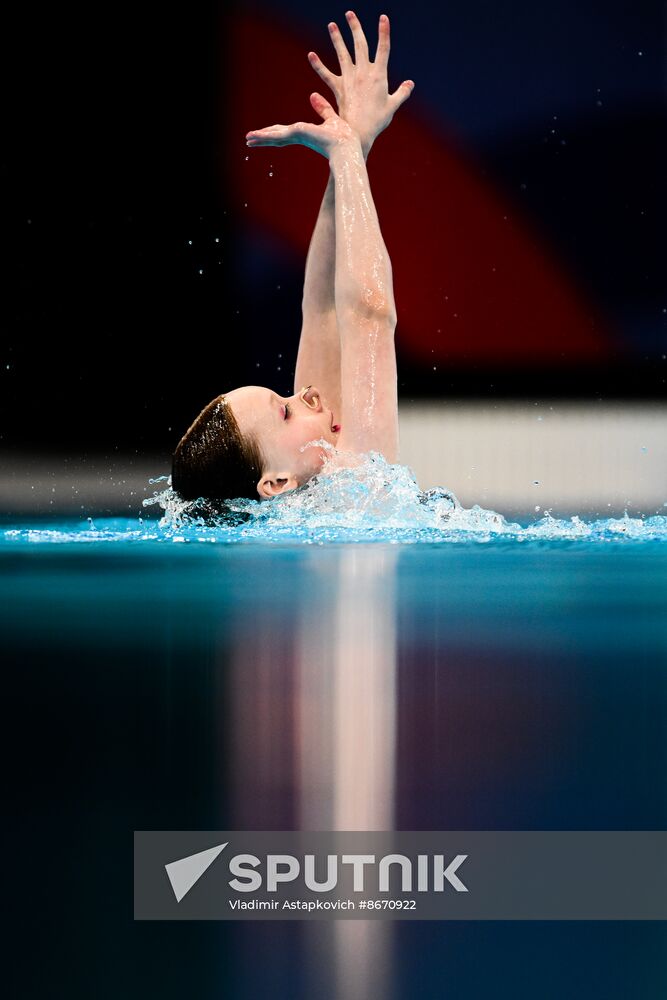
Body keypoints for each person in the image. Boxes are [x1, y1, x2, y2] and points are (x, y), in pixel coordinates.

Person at [172, 11, 414, 503]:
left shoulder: (324, 493)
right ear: (275, 483)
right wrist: (345, 152)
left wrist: (351, 149)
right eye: (286, 410)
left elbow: (325, 310)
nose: (305, 395)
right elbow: (369, 313)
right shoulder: (358, 493)